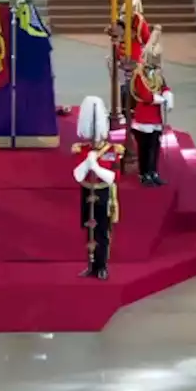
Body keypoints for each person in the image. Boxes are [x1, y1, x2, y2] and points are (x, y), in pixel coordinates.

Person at [72, 96, 124, 281]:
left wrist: (96, 166)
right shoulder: (83, 149)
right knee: (89, 231)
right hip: (87, 191)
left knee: (103, 231)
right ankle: (90, 265)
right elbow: (77, 175)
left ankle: (102, 266)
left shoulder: (111, 150)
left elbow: (114, 177)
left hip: (103, 192)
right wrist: (88, 161)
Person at [129, 26, 173, 186]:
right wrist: (160, 99)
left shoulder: (157, 74)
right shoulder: (140, 74)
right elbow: (145, 95)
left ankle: (153, 171)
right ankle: (144, 173)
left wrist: (168, 93)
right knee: (145, 148)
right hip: (144, 118)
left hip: (155, 118)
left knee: (155, 147)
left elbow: (163, 85)